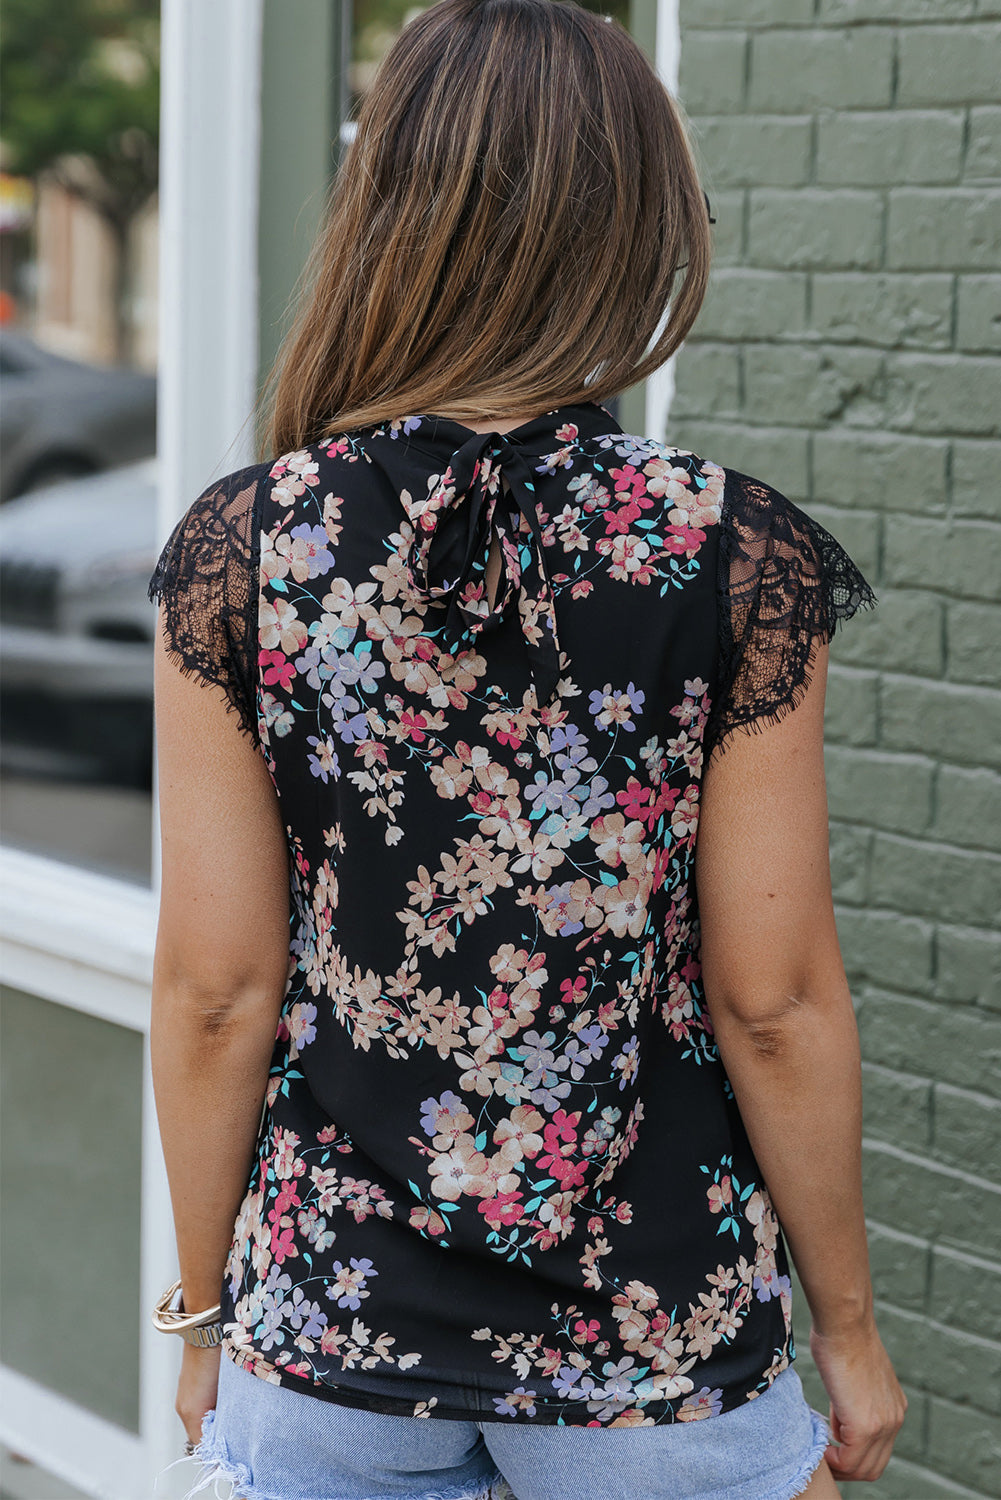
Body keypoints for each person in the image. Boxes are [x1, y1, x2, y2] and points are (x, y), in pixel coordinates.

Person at [148, 1, 907, 1497]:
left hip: (327, 1337)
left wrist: (201, 1319)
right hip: (656, 1356)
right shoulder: (725, 553)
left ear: (387, 212)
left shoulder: (248, 549)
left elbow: (217, 991)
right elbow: (774, 1002)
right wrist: (851, 1336)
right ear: (626, 221)